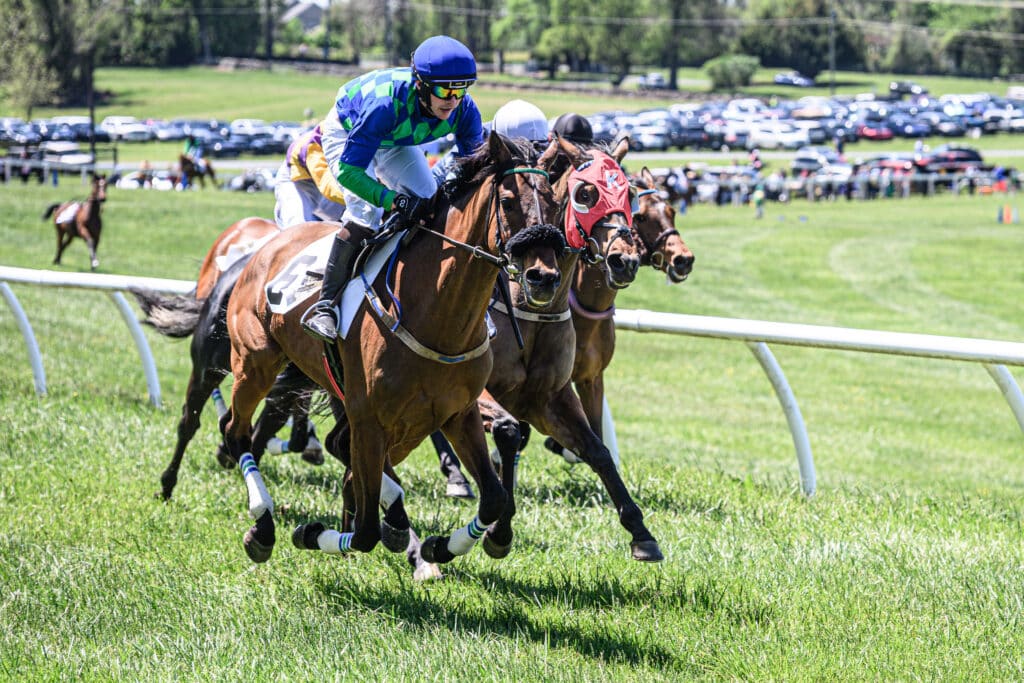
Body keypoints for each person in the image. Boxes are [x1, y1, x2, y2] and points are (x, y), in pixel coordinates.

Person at [305, 34, 484, 342]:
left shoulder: (464, 110)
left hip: (393, 139)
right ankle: (326, 306)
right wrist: (393, 201)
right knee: (367, 211)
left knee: (431, 200)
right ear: (421, 85)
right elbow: (349, 172)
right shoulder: (385, 104)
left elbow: (478, 165)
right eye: (444, 90)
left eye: (461, 89)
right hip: (348, 131)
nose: (452, 100)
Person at [273, 124, 347, 228]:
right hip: (296, 181)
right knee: (298, 229)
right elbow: (328, 187)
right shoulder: (315, 145)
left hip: (332, 183)